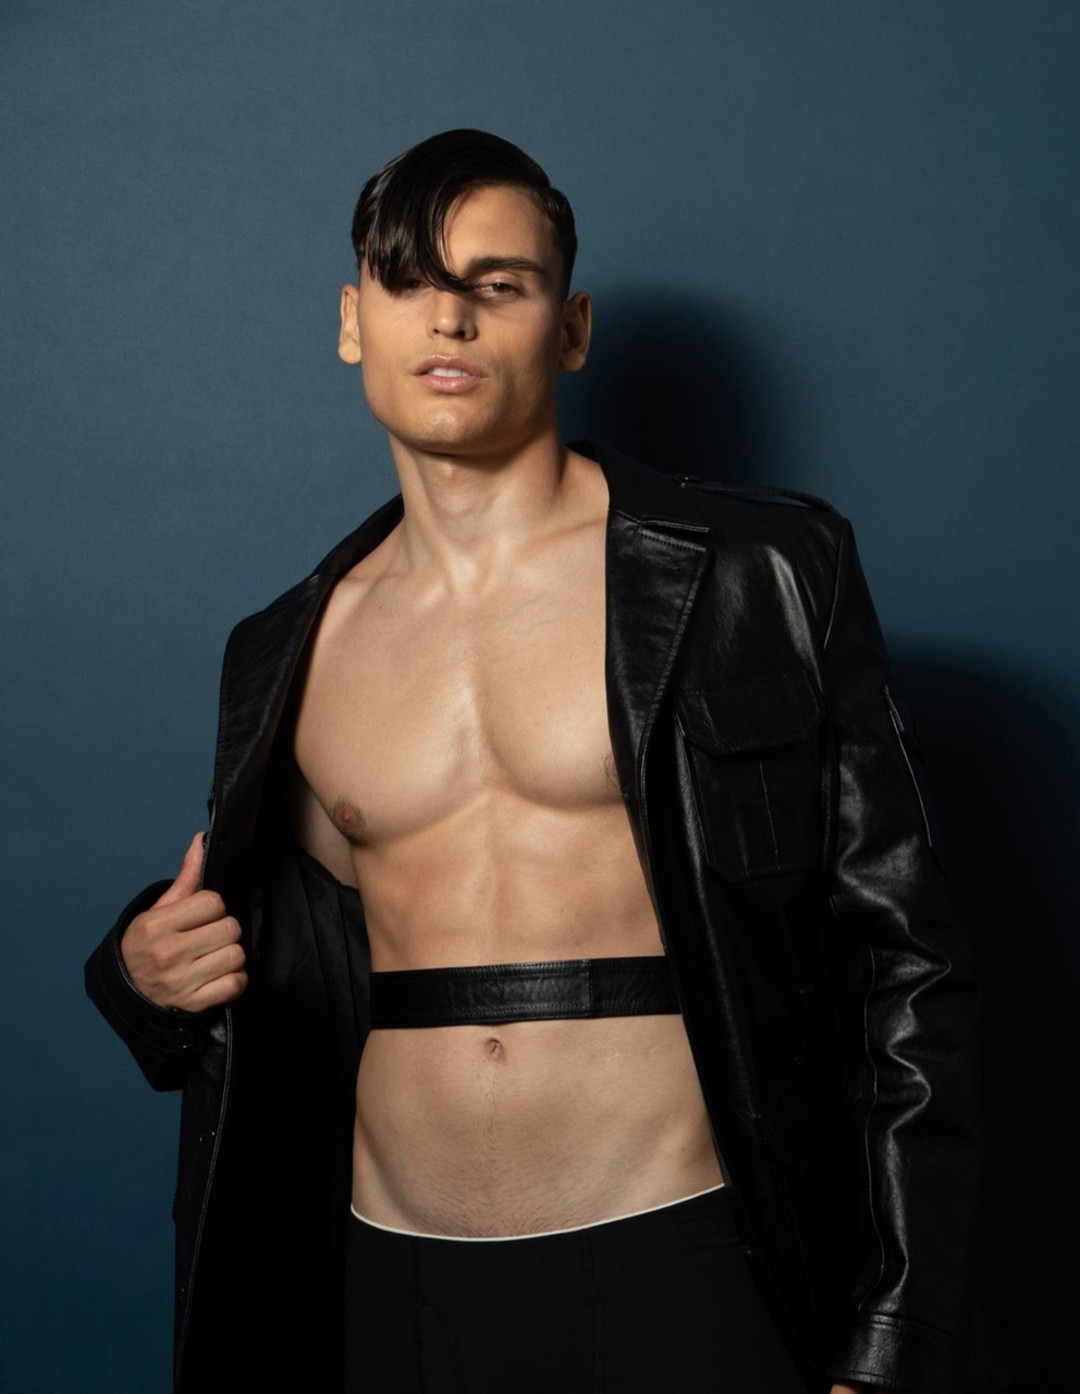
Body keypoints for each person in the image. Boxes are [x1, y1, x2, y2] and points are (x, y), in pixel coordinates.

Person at [86, 129, 980, 1394]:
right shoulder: (287, 649)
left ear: (570, 329)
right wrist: (139, 973)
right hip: (395, 1277)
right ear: (351, 321)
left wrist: (895, 1337)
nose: (448, 316)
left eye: (496, 283)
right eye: (407, 280)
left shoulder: (762, 576)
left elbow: (906, 960)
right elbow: (276, 955)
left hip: (687, 1253)